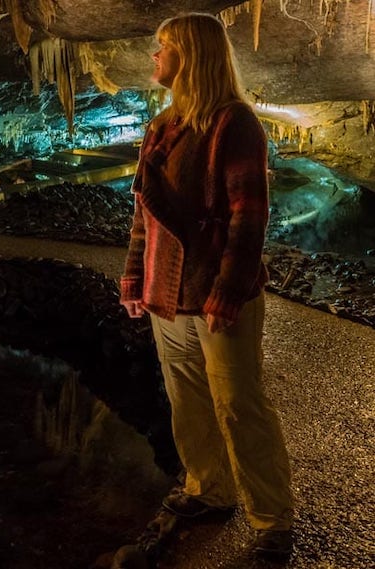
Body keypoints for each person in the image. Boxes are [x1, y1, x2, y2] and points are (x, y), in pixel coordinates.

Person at [119, 13, 294, 556]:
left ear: (191, 55)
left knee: (238, 404)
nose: (154, 55)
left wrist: (228, 290)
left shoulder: (233, 123)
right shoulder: (161, 126)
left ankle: (272, 520)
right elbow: (142, 214)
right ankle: (208, 488)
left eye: (163, 46)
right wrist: (132, 276)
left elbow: (248, 217)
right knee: (187, 401)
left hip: (216, 291)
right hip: (167, 292)